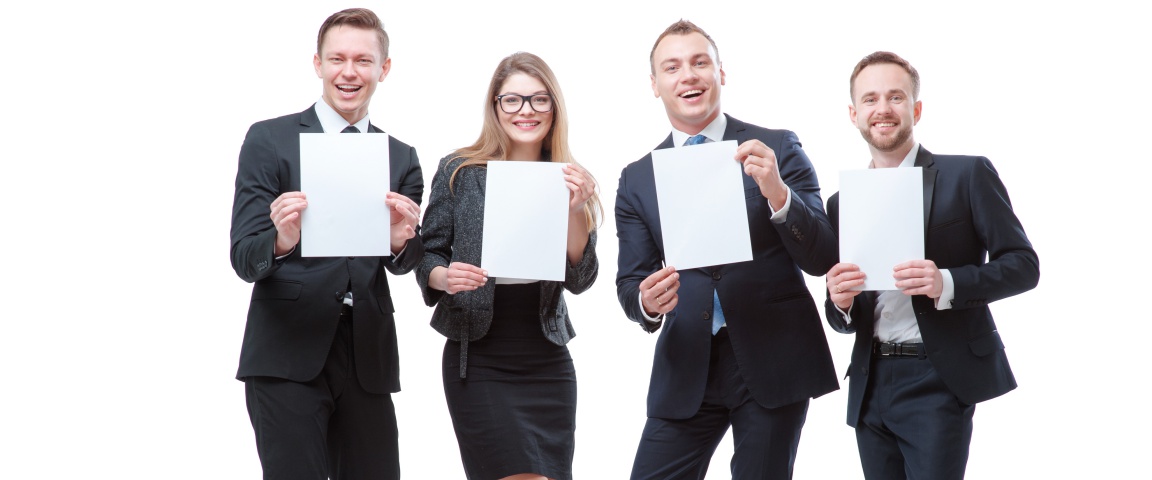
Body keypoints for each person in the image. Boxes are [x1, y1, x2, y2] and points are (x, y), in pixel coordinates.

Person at [614, 19, 839, 479]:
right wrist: (646, 301)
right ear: (655, 85)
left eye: (700, 62)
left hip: (773, 355)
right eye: (672, 67)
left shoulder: (777, 147)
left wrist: (778, 192)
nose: (689, 75)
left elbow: (821, 258)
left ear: (721, 72)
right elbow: (630, 282)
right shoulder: (637, 178)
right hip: (686, 364)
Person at [823, 51, 1040, 480]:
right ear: (853, 114)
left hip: (938, 377)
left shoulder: (967, 175)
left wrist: (946, 282)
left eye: (895, 97)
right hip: (870, 381)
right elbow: (842, 318)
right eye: (869, 99)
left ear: (916, 108)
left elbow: (1023, 265)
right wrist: (840, 302)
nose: (882, 109)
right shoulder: (841, 203)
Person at [228, 8, 423, 479]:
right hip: (287, 352)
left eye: (362, 60)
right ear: (317, 64)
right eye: (337, 59)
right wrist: (281, 240)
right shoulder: (269, 140)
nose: (349, 72)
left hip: (367, 358)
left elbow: (404, 263)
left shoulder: (401, 157)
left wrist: (400, 243)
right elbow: (243, 256)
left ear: (384, 68)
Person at [414, 52, 601, 480]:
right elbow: (429, 254)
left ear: (554, 107)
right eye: (512, 100)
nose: (526, 111)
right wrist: (444, 277)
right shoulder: (460, 170)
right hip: (479, 358)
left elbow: (582, 277)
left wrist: (575, 209)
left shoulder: (572, 178)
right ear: (495, 106)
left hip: (546, 357)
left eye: (539, 100)